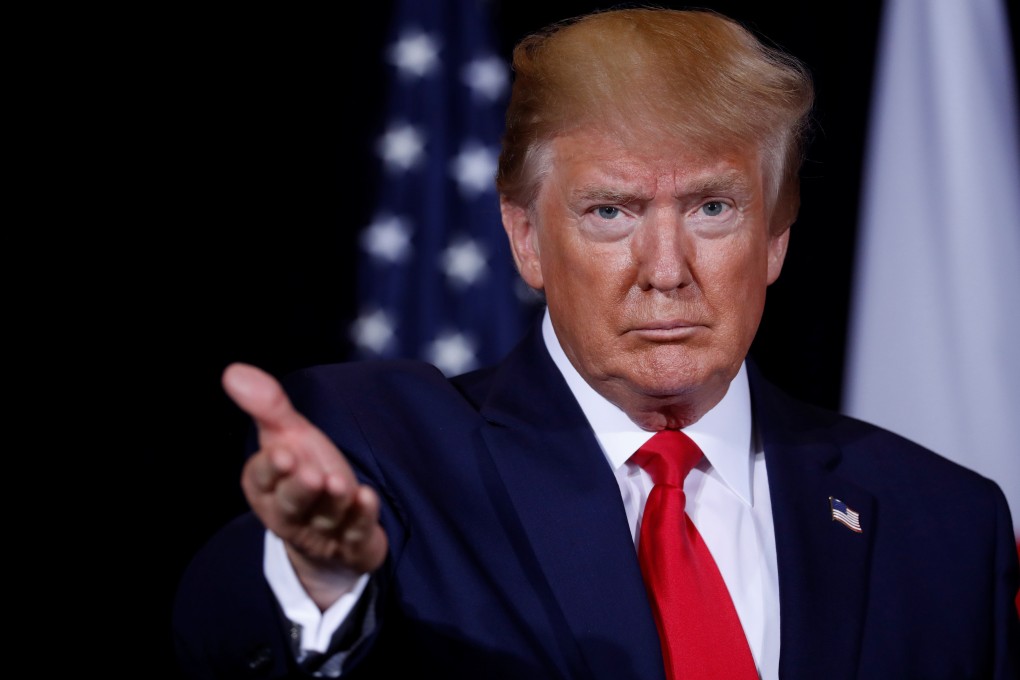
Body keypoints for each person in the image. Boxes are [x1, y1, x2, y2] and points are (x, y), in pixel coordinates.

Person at [173, 7, 1020, 679]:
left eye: (712, 208)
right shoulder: (388, 453)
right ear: (526, 239)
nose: (665, 270)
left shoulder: (945, 523)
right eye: (610, 211)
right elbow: (216, 644)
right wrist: (318, 582)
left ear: (777, 238)